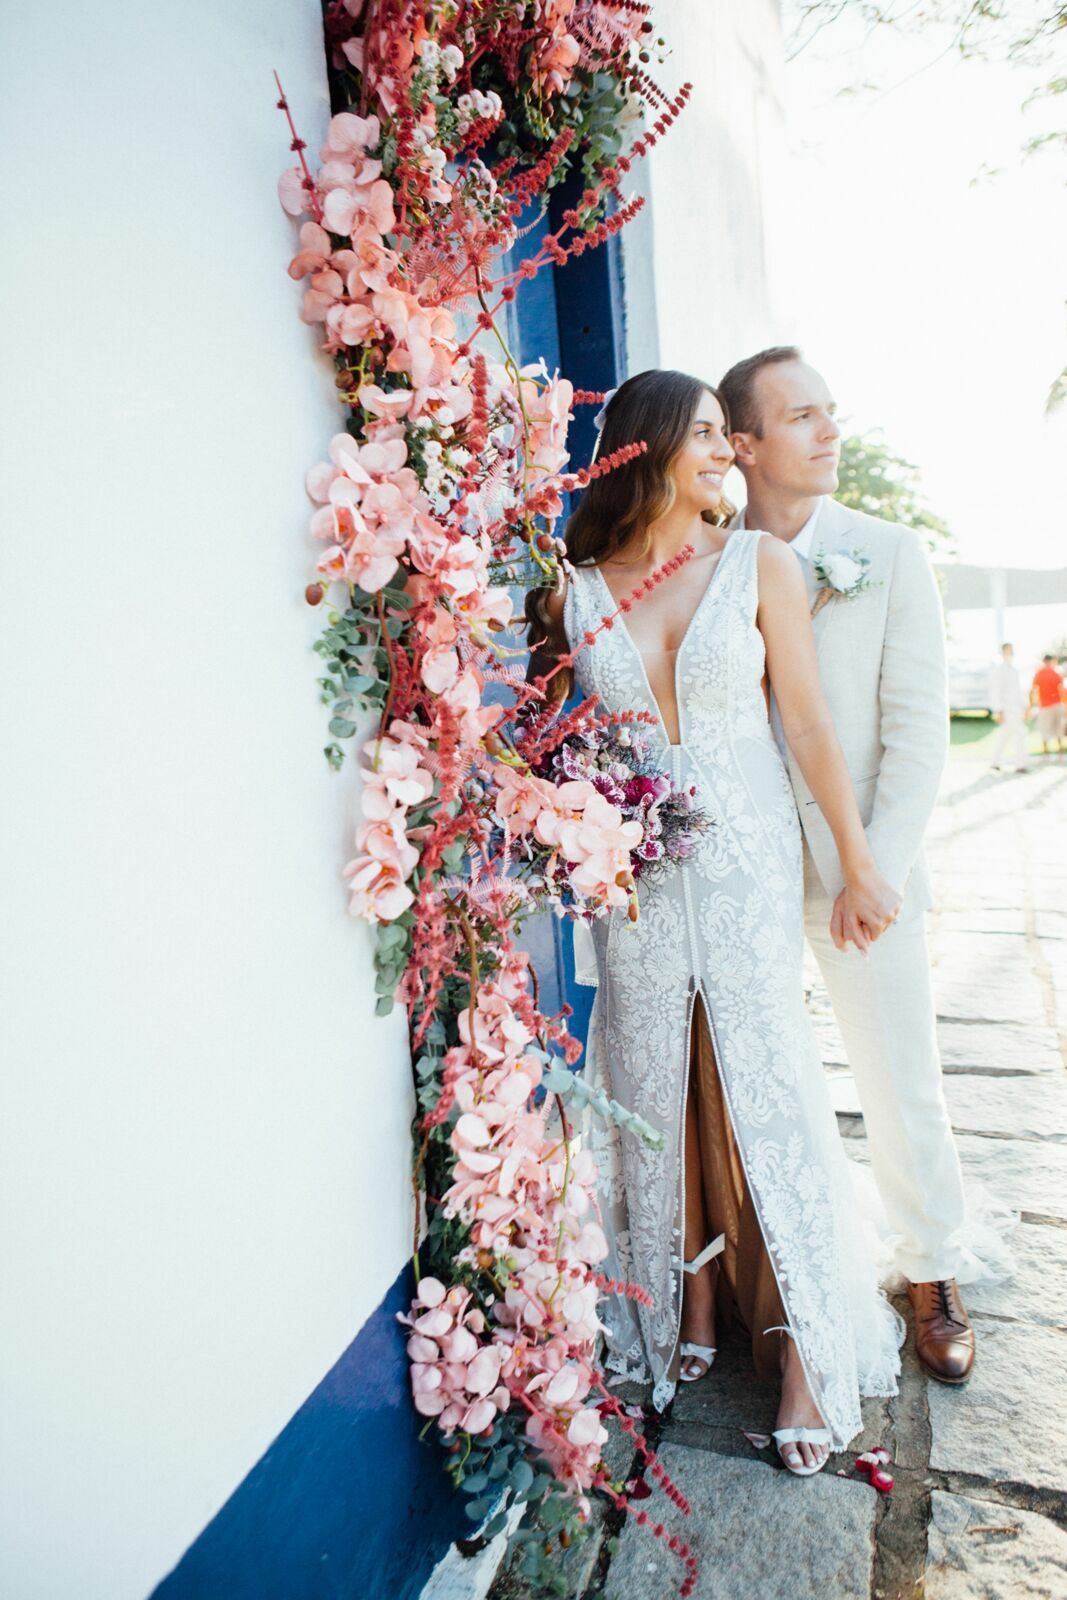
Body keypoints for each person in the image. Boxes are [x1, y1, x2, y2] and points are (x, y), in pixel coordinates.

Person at [526, 369, 905, 1477]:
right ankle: (676, 1305)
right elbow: (552, 749)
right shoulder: (573, 591)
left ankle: (802, 1352)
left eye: (722, 438)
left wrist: (855, 865)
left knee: (769, 1081)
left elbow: (811, 729)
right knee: (649, 1081)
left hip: (742, 864)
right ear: (644, 450)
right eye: (702, 436)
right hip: (633, 883)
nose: (724, 455)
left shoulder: (758, 565)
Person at [719, 344, 1007, 1388]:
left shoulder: (885, 553)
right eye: (801, 416)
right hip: (745, 879)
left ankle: (931, 1268)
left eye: (830, 412)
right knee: (766, 1091)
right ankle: (779, 1277)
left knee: (898, 1082)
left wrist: (869, 872)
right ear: (742, 443)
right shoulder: (708, 555)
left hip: (864, 881)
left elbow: (917, 737)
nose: (829, 431)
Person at [989, 643, 1030, 771]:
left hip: (1016, 709)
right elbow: (996, 691)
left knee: (1004, 735)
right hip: (1006, 709)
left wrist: (1026, 706)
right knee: (1021, 733)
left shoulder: (1015, 669)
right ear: (1002, 652)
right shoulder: (999, 670)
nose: (1010, 652)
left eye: (1011, 650)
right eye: (1008, 650)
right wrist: (999, 710)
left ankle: (995, 762)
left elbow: (1019, 691)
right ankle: (1020, 765)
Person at [1031, 654, 1065, 755]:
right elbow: (1061, 688)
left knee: (1045, 727)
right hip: (1056, 704)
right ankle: (1060, 749)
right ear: (1051, 661)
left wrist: (1032, 704)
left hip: (1045, 706)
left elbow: (1033, 689)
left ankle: (1046, 750)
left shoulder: (1039, 673)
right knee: (1058, 726)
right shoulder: (1056, 673)